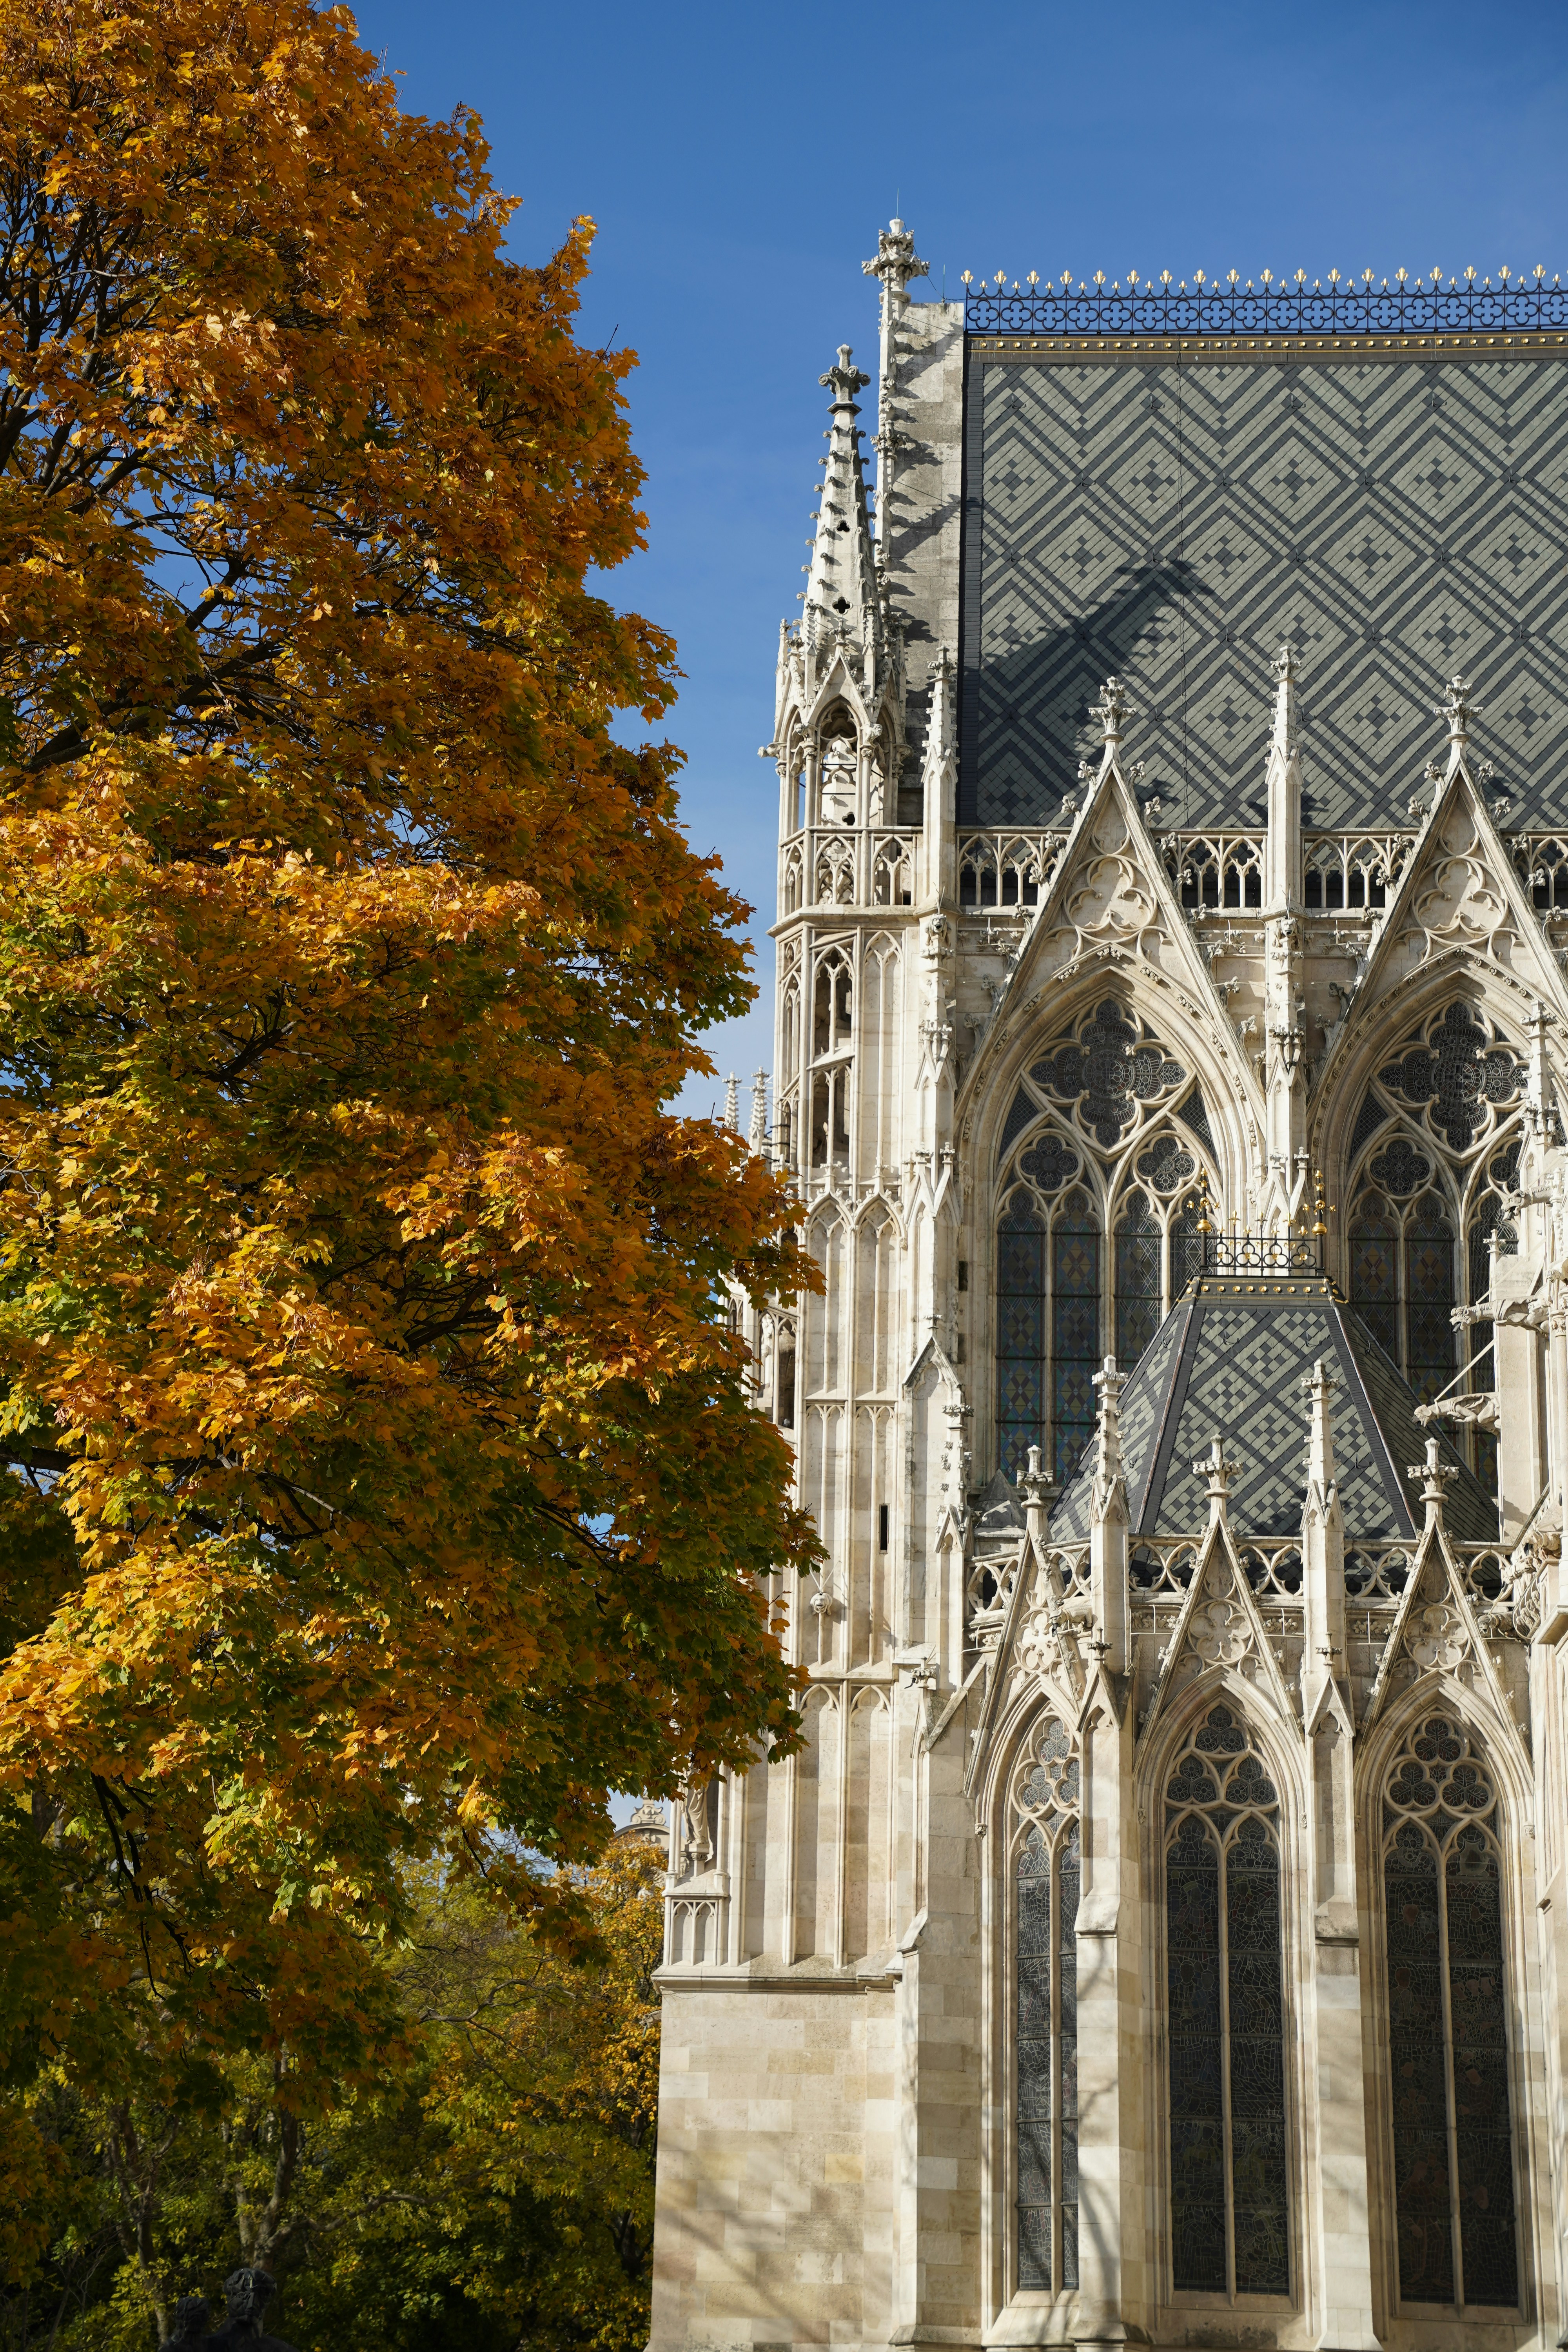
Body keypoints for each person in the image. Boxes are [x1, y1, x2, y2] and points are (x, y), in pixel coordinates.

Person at [206, 2268, 296, 2351]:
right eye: (244, 2294)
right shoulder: (206, 2347)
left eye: (260, 2295)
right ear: (230, 2298)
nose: (252, 2303)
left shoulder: (282, 2350)